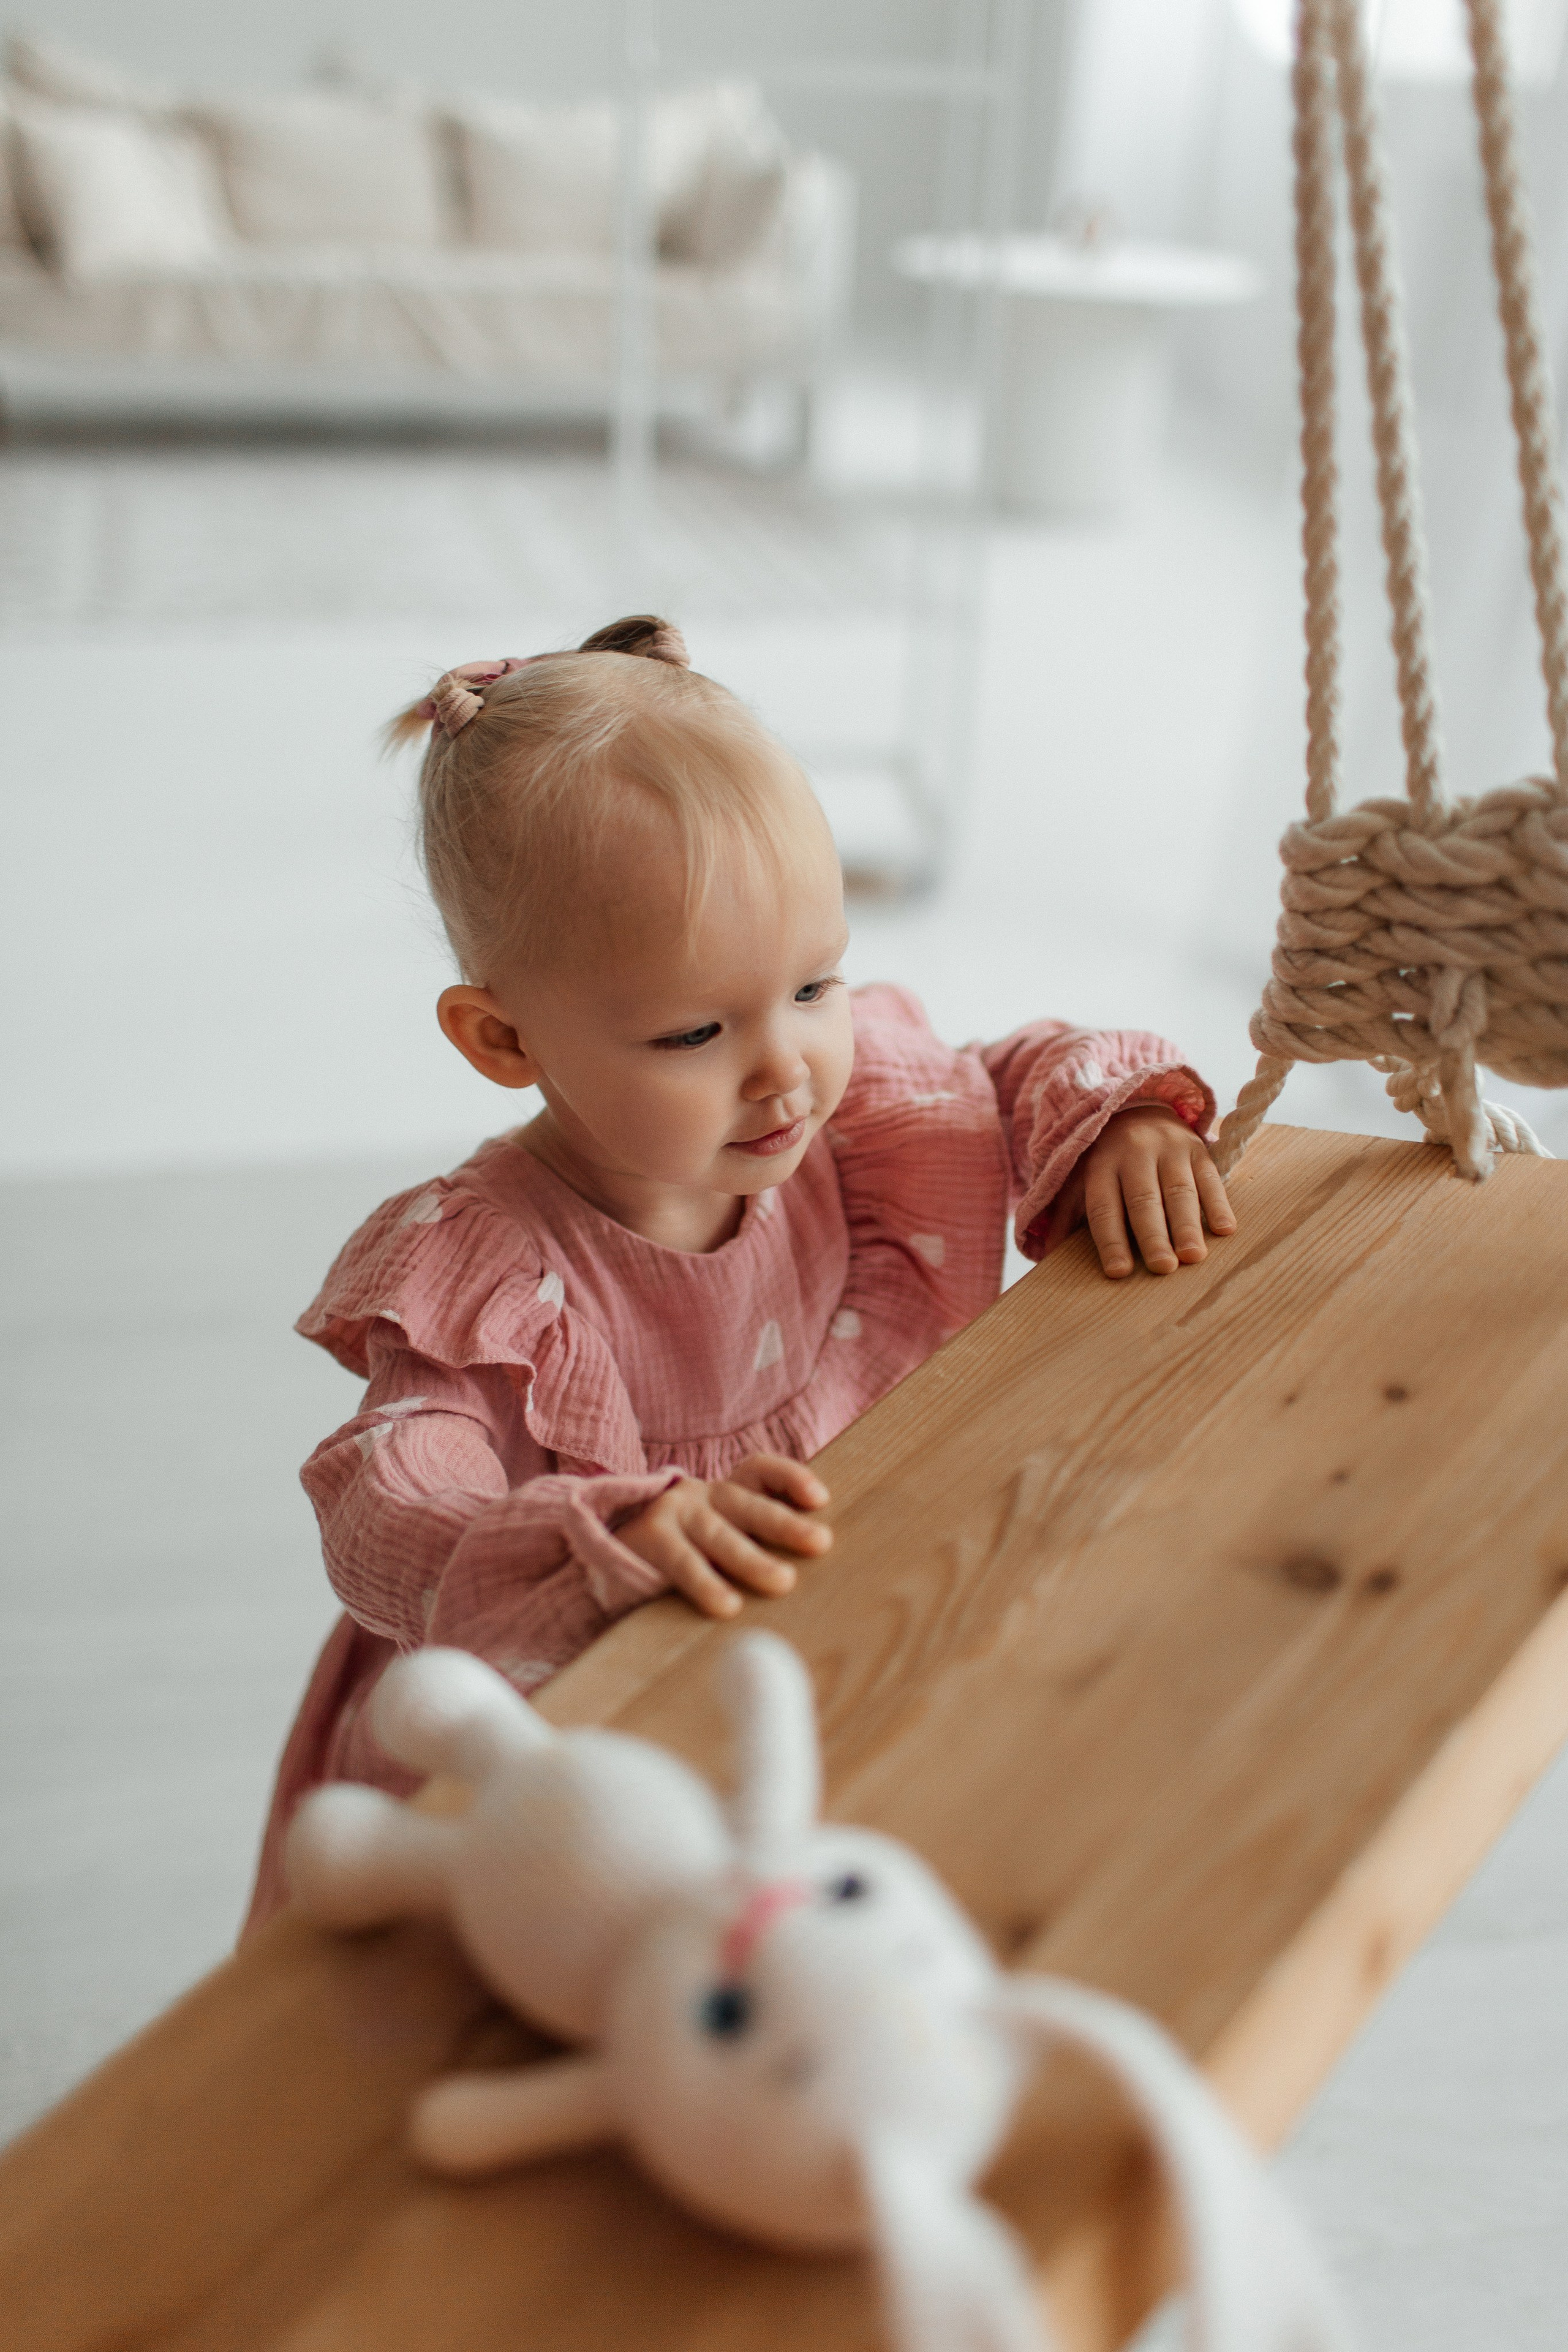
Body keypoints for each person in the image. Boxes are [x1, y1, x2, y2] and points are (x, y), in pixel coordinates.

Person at [242, 615, 1234, 1932]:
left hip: (831, 1653)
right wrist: (601, 1541)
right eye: (696, 1031)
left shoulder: (857, 1121)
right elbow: (391, 1492)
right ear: (501, 1040)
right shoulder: (482, 1269)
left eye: (816, 985)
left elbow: (1007, 1076)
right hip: (547, 1752)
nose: (785, 1069)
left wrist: (1118, 1122)